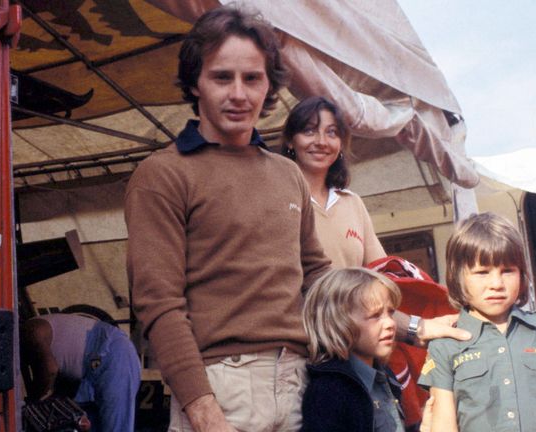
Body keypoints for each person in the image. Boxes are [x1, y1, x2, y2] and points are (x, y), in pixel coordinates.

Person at [125, 6, 331, 432]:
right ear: (195, 82)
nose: (239, 93)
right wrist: (203, 411)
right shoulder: (162, 175)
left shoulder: (288, 173)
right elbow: (159, 304)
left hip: (297, 383)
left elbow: (319, 277)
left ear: (269, 85)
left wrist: (408, 324)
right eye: (222, 77)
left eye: (252, 78)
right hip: (219, 387)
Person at [418, 213, 536, 432]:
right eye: (482, 272)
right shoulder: (444, 345)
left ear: (522, 274)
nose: (496, 283)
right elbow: (444, 424)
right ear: (457, 277)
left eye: (507, 271)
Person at [281, 96, 386, 268]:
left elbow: (380, 269)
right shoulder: (277, 199)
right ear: (290, 141)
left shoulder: (352, 203)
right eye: (309, 131)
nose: (321, 142)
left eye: (331, 132)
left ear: (341, 143)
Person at [301, 267, 407, 432]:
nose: (391, 324)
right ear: (339, 323)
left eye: (390, 313)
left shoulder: (386, 375)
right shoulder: (328, 392)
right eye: (375, 315)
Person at [20, 313, 141, 432]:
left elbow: (50, 370)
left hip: (113, 353)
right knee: (80, 423)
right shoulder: (26, 339)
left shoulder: (30, 330)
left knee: (114, 426)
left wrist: (35, 400)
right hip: (90, 366)